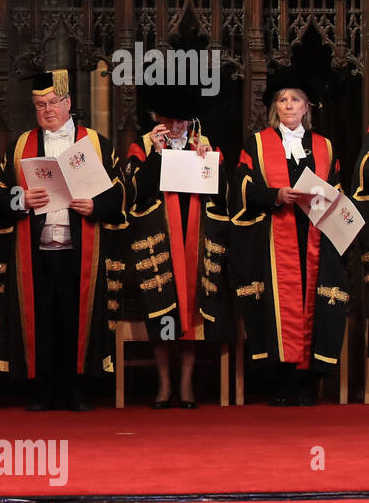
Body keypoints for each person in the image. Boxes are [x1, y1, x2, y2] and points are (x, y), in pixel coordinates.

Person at [0, 69, 126, 411]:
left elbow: (120, 193)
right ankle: (43, 390)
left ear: (68, 103)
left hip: (81, 247)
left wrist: (95, 205)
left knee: (73, 318)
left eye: (52, 102)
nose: (46, 110)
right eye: (39, 105)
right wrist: (21, 200)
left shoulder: (95, 143)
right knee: (43, 318)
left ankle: (77, 389)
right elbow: (1, 195)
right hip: (35, 247)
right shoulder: (21, 145)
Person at [233, 80, 348, 406]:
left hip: (316, 238)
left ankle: (308, 383)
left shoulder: (324, 146)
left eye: (296, 100)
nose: (288, 105)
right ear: (275, 108)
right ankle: (281, 383)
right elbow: (241, 186)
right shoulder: (256, 144)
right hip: (274, 237)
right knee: (278, 308)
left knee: (314, 306)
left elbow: (337, 190)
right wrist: (275, 195)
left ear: (306, 107)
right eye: (282, 100)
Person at [122, 87, 232, 408]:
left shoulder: (206, 146)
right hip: (158, 241)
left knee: (190, 309)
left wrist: (209, 164)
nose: (177, 127)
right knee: (162, 308)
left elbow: (222, 194)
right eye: (170, 121)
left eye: (183, 121)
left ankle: (185, 385)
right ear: (157, 120)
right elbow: (136, 193)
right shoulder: (141, 147)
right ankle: (163, 384)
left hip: (194, 236)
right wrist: (157, 154)